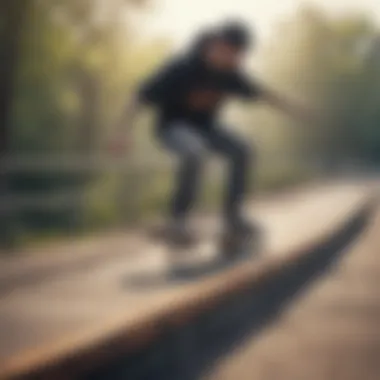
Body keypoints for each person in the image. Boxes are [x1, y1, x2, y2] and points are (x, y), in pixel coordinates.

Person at [112, 21, 310, 247]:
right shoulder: (182, 67)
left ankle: (233, 219)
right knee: (194, 150)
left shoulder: (231, 75)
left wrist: (294, 108)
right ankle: (178, 219)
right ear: (215, 45)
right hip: (172, 128)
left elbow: (263, 94)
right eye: (228, 53)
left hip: (207, 129)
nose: (231, 60)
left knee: (242, 150)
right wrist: (120, 132)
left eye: (237, 56)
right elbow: (139, 95)